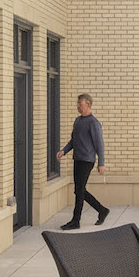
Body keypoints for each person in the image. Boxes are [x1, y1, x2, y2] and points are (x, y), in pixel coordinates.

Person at [58, 93, 110, 228]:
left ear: (88, 104)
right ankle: (102, 210)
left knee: (79, 189)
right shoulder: (78, 121)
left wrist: (101, 163)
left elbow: (99, 144)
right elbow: (73, 141)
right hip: (77, 159)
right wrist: (64, 151)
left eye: (80, 104)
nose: (77, 106)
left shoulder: (93, 123)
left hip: (87, 160)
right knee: (78, 190)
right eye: (77, 103)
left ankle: (76, 221)